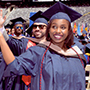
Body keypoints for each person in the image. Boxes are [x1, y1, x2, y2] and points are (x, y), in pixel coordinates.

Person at [0, 1, 86, 90]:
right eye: (54, 27)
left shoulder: (77, 54)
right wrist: (0, 35)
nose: (58, 31)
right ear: (49, 30)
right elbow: (14, 65)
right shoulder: (38, 52)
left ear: (69, 31)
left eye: (63, 27)